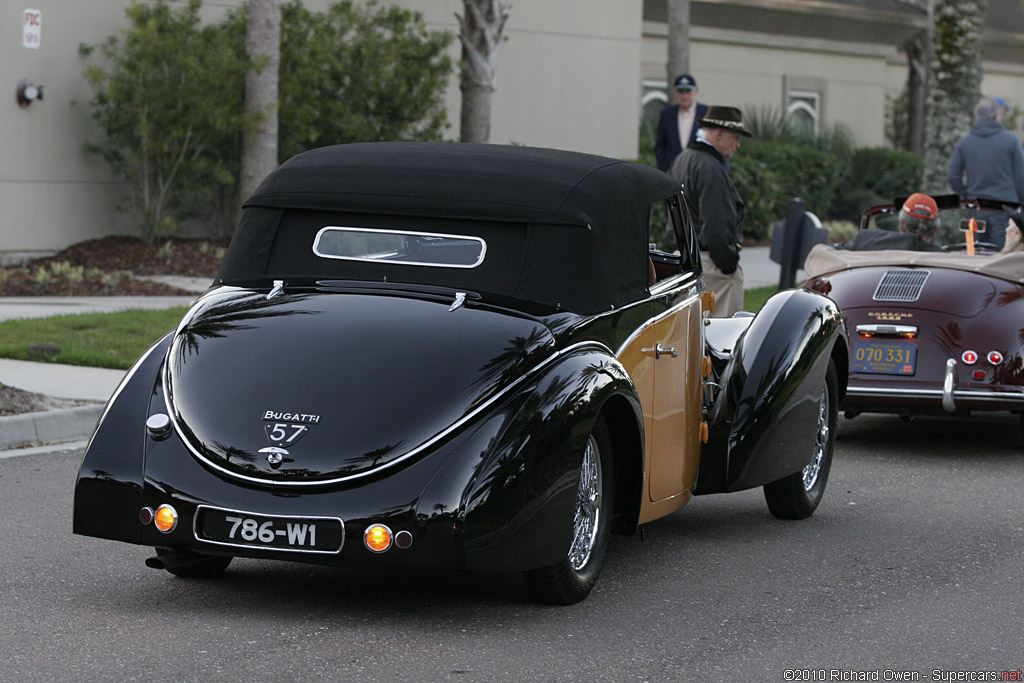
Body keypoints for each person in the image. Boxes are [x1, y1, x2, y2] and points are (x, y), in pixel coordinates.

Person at [669, 105, 750, 317]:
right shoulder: (710, 167)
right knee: (721, 336)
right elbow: (716, 223)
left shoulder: (682, 159)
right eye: (735, 137)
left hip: (684, 259)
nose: (738, 145)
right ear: (720, 134)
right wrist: (728, 266)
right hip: (712, 266)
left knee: (691, 336)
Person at [946, 97, 1024, 248]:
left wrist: (968, 195)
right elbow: (1021, 177)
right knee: (1002, 256)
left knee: (976, 253)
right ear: (997, 116)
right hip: (1006, 208)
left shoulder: (965, 142)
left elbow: (953, 177)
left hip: (977, 208)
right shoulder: (1011, 140)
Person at [837, 193, 943, 252]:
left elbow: (828, 252)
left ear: (901, 223)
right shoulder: (946, 261)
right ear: (935, 230)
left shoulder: (866, 241)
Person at [654, 73, 709, 172]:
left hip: (698, 172)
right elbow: (660, 145)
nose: (684, 96)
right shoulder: (667, 114)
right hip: (672, 172)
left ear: (695, 91)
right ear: (675, 93)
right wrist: (663, 168)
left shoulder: (705, 113)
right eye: (681, 92)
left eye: (688, 91)